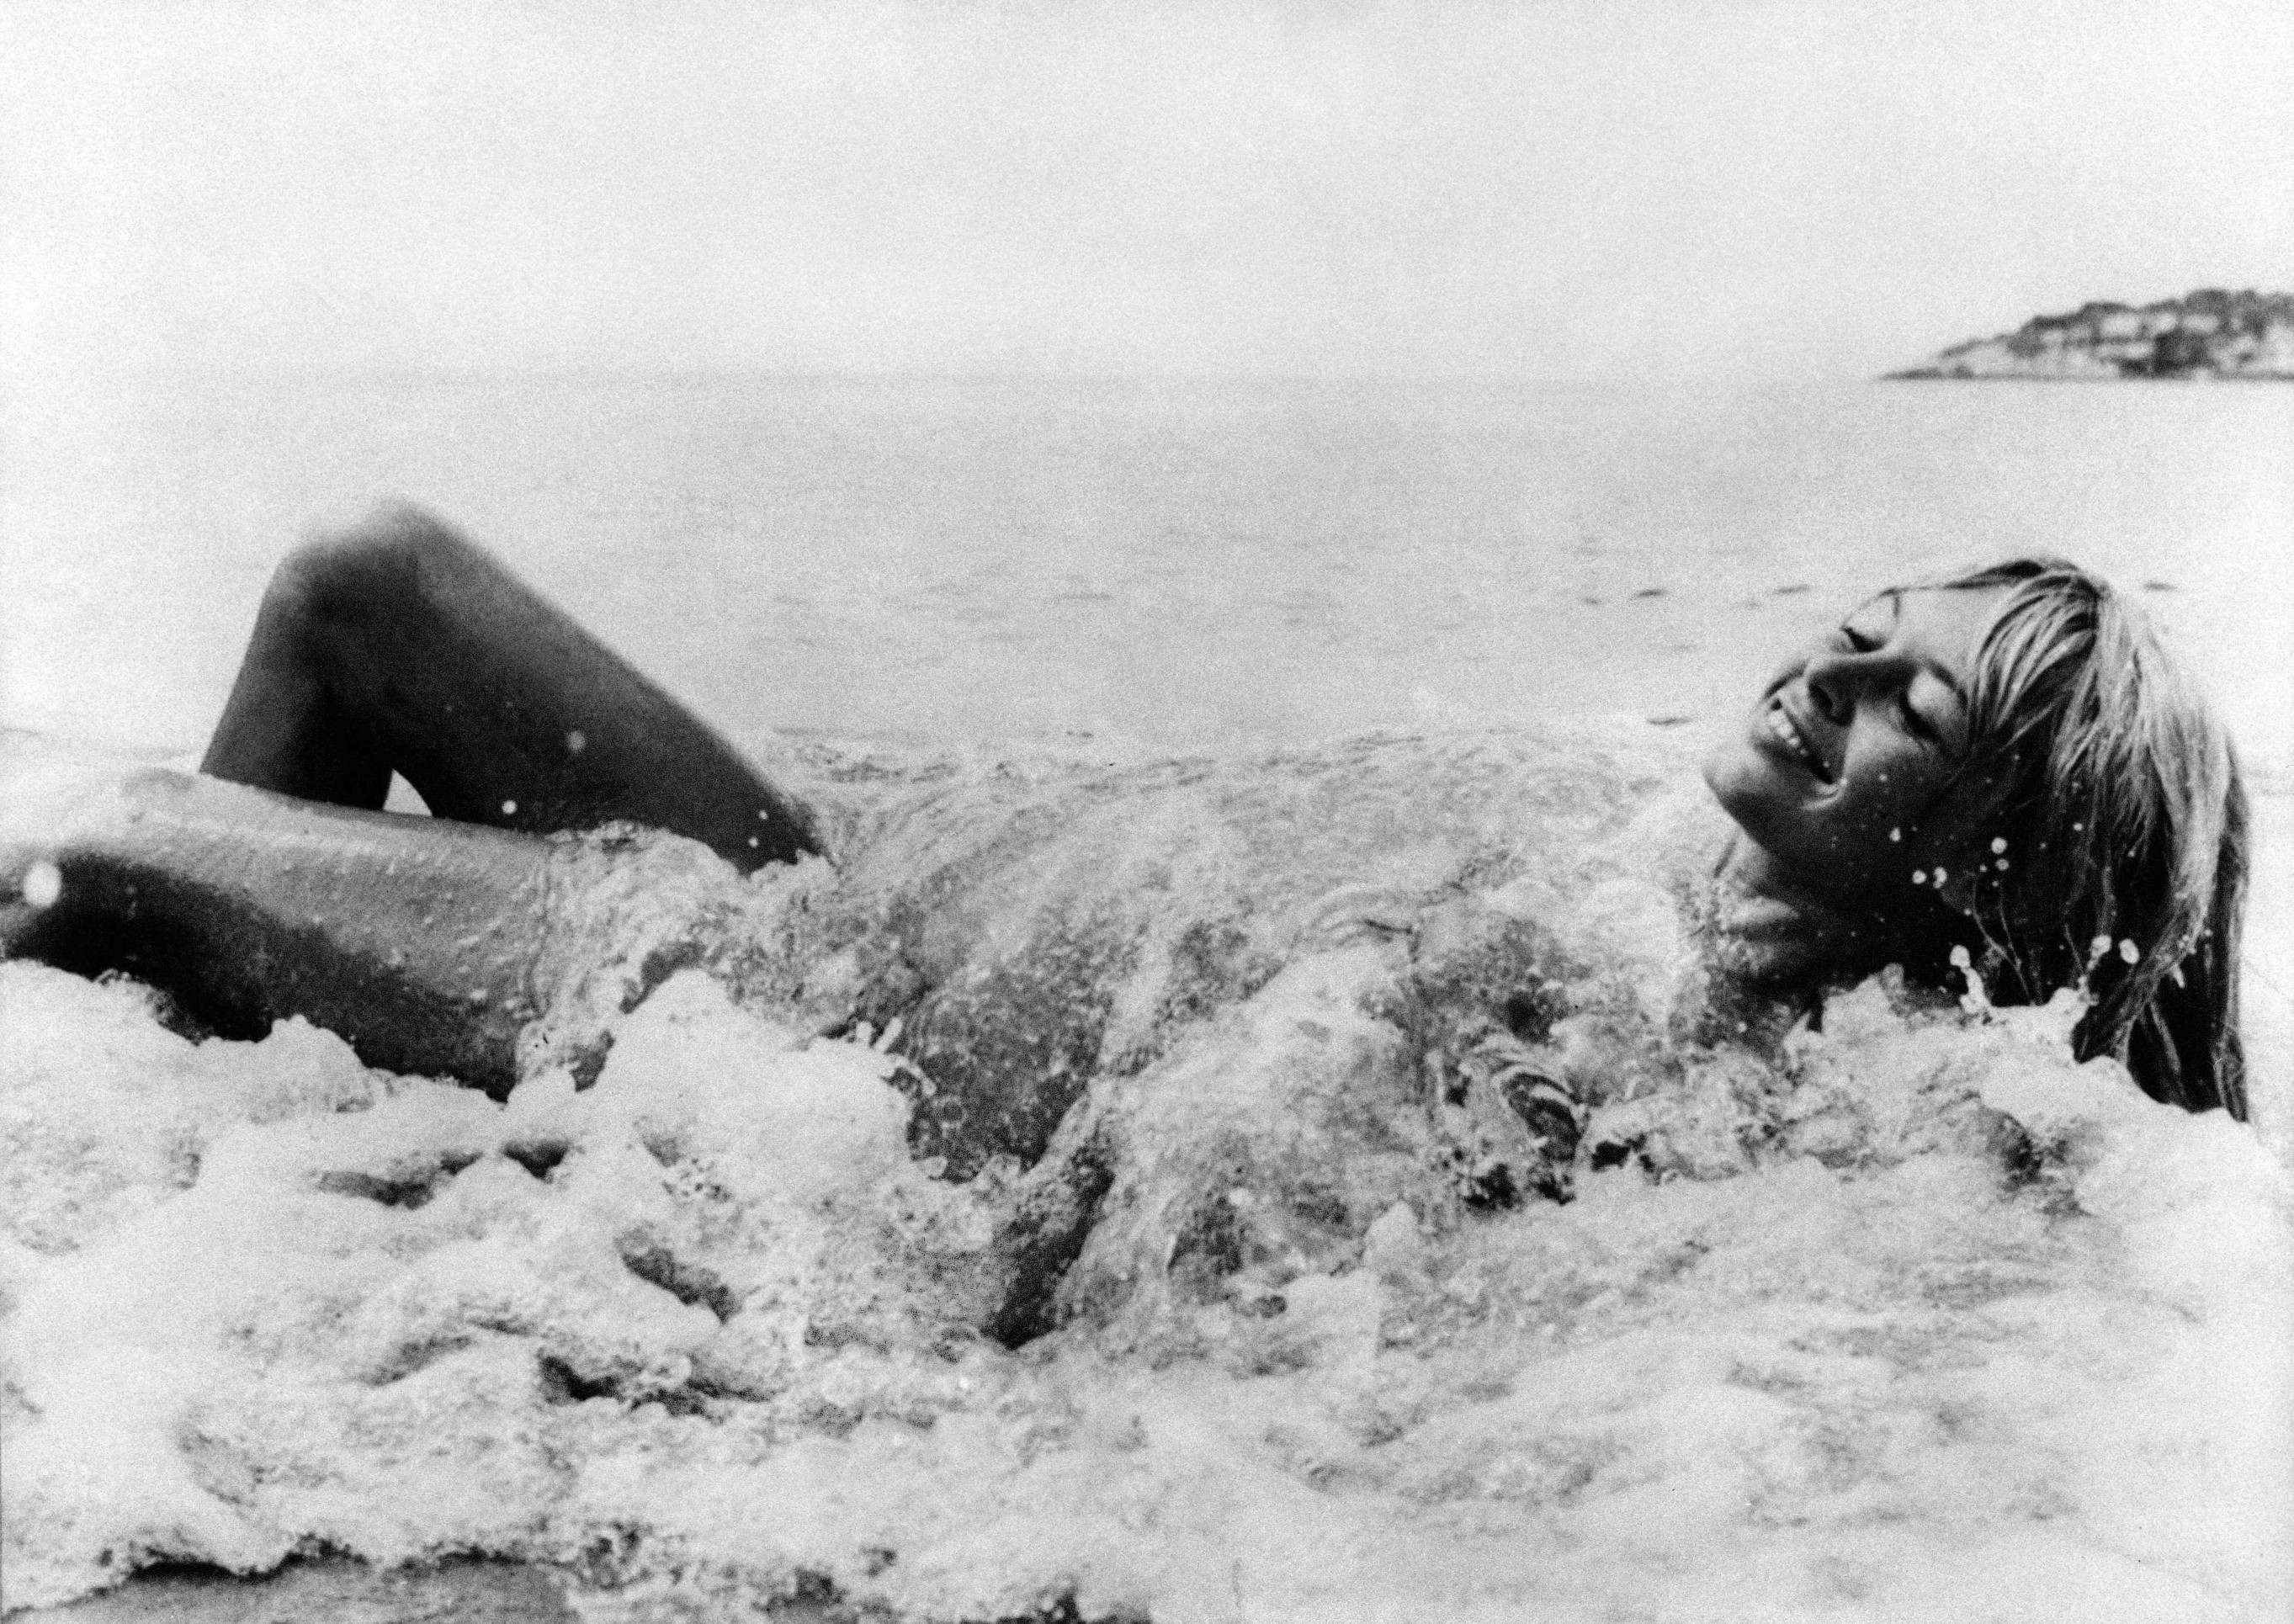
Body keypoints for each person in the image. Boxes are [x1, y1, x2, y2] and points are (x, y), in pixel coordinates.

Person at [2, 505, 2249, 1138]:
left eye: (1901, 711)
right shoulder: (1624, 839)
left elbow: (1256, 1191)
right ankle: (246, 1136)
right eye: (1865, 622)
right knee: (360, 583)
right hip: (845, 892)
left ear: (1979, 874)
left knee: (110, 844)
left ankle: (235, 1113)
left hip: (777, 1025)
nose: (1829, 671)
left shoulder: (1673, 1032)